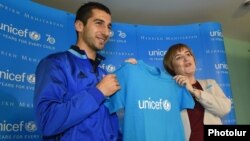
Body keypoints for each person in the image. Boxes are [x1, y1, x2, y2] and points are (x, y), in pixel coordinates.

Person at [34, 2, 121, 140]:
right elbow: (47, 121)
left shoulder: (103, 73)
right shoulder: (55, 63)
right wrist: (98, 92)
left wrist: (129, 72)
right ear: (79, 26)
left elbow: (111, 124)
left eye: (109, 26)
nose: (106, 32)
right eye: (99, 23)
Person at [163, 43, 232, 141]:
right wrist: (133, 67)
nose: (186, 59)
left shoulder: (210, 83)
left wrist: (194, 91)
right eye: (179, 57)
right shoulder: (169, 91)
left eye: (188, 54)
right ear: (172, 67)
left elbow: (225, 108)